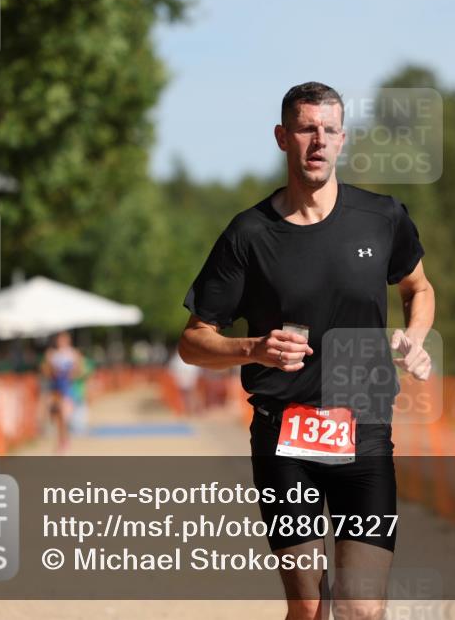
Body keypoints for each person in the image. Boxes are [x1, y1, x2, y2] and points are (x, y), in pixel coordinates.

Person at [177, 82, 435, 620]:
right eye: (305, 128)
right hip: (284, 437)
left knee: (363, 609)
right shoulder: (248, 235)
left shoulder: (382, 217)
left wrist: (414, 335)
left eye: (330, 129)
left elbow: (419, 287)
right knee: (311, 607)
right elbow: (193, 341)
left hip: (364, 434)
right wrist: (253, 347)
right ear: (282, 138)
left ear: (343, 140)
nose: (318, 140)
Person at [40, 331, 83, 454]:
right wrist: (51, 368)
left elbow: (79, 371)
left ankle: (63, 441)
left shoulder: (73, 354)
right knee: (56, 416)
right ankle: (62, 440)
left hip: (68, 390)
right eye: (60, 339)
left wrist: (71, 373)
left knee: (64, 416)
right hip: (55, 390)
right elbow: (45, 372)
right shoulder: (51, 354)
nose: (61, 342)